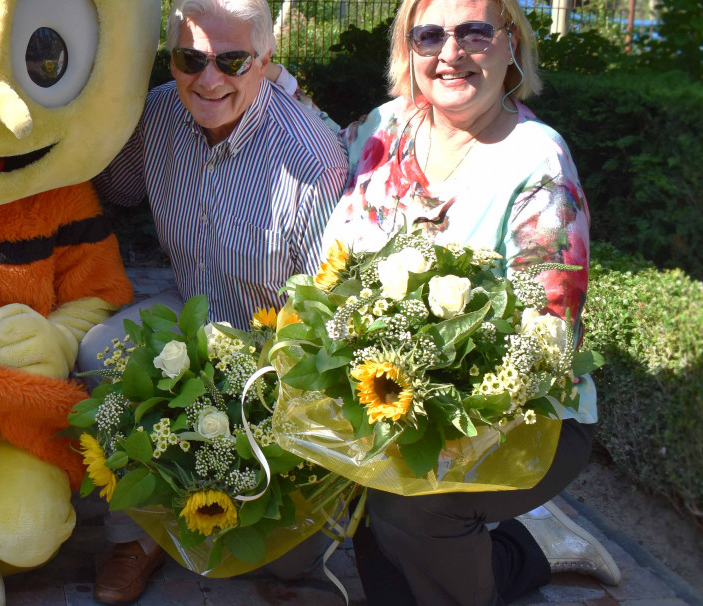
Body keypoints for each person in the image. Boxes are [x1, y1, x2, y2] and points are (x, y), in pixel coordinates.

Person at [320, 0, 621, 603]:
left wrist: (429, 407)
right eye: (429, 35)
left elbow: (549, 331)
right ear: (408, 49)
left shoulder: (537, 159)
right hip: (389, 397)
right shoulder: (379, 129)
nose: (450, 53)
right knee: (391, 577)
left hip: (519, 413)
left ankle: (527, 552)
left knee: (413, 513)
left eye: (475, 33)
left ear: (512, 45)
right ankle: (498, 546)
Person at [83, 0, 348, 602]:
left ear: (266, 61)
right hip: (192, 316)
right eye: (190, 58)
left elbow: (322, 317)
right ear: (171, 59)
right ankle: (136, 537)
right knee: (100, 351)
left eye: (231, 61)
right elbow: (112, 183)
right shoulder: (158, 114)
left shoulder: (308, 160)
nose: (208, 79)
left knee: (288, 564)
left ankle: (217, 501)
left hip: (273, 354)